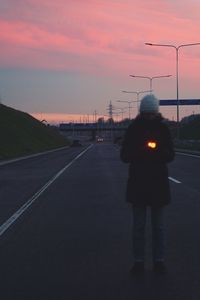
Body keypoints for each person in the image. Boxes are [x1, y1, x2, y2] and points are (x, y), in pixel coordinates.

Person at [120, 94, 175, 275]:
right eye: (146, 114)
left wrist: (157, 149)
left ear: (156, 113)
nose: (149, 117)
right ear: (141, 113)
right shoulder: (133, 129)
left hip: (157, 183)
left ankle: (159, 261)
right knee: (139, 226)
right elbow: (124, 156)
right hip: (139, 183)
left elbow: (170, 155)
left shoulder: (163, 129)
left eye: (151, 114)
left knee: (158, 227)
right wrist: (142, 149)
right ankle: (138, 262)